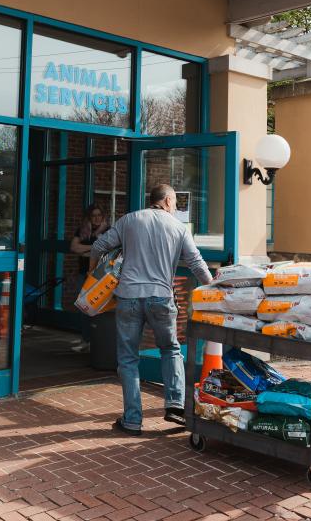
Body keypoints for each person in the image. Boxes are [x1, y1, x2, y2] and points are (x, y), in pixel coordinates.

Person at [89, 183, 212, 436]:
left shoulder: (129, 220)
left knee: (127, 358)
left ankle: (132, 420)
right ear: (166, 201)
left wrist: (93, 276)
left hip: (129, 298)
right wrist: (215, 287)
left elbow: (98, 247)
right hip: (161, 298)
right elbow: (196, 263)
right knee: (170, 349)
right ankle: (175, 405)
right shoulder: (178, 227)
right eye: (175, 202)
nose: (176, 207)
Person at [68, 204, 111, 353]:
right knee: (83, 308)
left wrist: (85, 249)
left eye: (99, 215)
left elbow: (105, 252)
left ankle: (96, 342)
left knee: (98, 309)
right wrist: (93, 247)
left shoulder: (108, 231)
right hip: (83, 274)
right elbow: (74, 247)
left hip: (99, 277)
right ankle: (85, 340)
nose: (97, 218)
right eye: (94, 215)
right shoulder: (83, 230)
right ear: (89, 217)